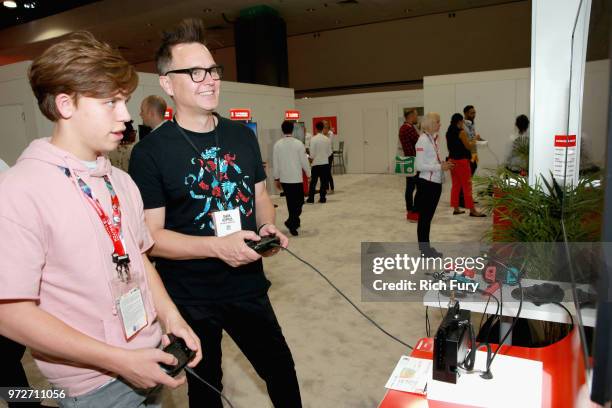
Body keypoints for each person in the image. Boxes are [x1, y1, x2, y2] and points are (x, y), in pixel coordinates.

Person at [0, 31, 201, 408]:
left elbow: (139, 256)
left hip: (149, 355)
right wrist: (120, 361)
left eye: (124, 102)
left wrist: (172, 318)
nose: (125, 116)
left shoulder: (119, 180)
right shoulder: (19, 190)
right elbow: (9, 314)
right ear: (65, 104)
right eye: (110, 103)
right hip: (94, 385)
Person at [128, 19, 302, 408]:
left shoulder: (242, 134)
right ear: (167, 83)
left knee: (281, 371)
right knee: (207, 387)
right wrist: (217, 247)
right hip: (190, 296)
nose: (209, 80)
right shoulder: (150, 153)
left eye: (213, 70)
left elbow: (259, 194)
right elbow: (152, 238)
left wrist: (266, 224)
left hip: (246, 283)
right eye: (194, 72)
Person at [415, 112, 454, 258]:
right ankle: (425, 250)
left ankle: (426, 248)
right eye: (438, 121)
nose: (440, 124)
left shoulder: (433, 139)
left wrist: (442, 164)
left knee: (427, 218)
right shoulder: (423, 140)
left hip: (435, 183)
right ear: (430, 123)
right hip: (427, 184)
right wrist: (439, 167)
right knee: (425, 218)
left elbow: (431, 161)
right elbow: (419, 165)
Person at [273, 120, 311, 236]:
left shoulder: (277, 145)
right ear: (292, 129)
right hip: (296, 178)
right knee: (299, 202)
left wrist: (276, 178)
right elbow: (304, 161)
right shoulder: (298, 144)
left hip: (285, 179)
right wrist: (309, 174)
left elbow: (276, 163)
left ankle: (292, 221)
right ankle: (292, 224)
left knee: (292, 203)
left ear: (282, 130)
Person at [446, 113, 486, 217]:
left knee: (455, 185)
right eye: (462, 121)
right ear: (459, 121)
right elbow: (468, 146)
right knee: (467, 186)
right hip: (462, 162)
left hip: (452, 161)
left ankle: (456, 208)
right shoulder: (461, 132)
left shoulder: (448, 131)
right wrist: (475, 139)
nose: (463, 123)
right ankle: (472, 210)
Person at [398, 108, 420, 222]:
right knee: (415, 187)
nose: (417, 118)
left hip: (408, 160)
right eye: (416, 115)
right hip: (411, 161)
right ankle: (412, 211)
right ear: (411, 116)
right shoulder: (408, 129)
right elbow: (419, 141)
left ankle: (411, 211)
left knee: (411, 187)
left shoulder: (406, 128)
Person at [459, 105, 481, 207]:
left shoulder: (471, 124)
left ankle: (468, 198)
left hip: (474, 153)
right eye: (472, 113)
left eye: (474, 113)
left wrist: (478, 139)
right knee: (466, 178)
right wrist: (475, 138)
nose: (474, 115)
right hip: (467, 154)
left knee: (470, 177)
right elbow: (466, 140)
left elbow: (473, 138)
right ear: (466, 113)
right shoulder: (463, 125)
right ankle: (462, 200)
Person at [307, 121, 332, 204]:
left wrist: (310, 160)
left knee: (313, 182)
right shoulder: (327, 139)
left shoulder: (313, 139)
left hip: (316, 164)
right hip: (325, 163)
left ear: (316, 128)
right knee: (323, 182)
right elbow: (329, 153)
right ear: (323, 128)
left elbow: (312, 153)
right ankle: (322, 198)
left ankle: (311, 198)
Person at [323, 120, 336, 193]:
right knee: (325, 172)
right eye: (323, 125)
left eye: (325, 125)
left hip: (329, 155)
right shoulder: (322, 133)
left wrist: (325, 135)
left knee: (328, 171)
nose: (324, 126)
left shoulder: (330, 133)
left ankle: (332, 188)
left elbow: (329, 142)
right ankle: (326, 188)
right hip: (324, 155)